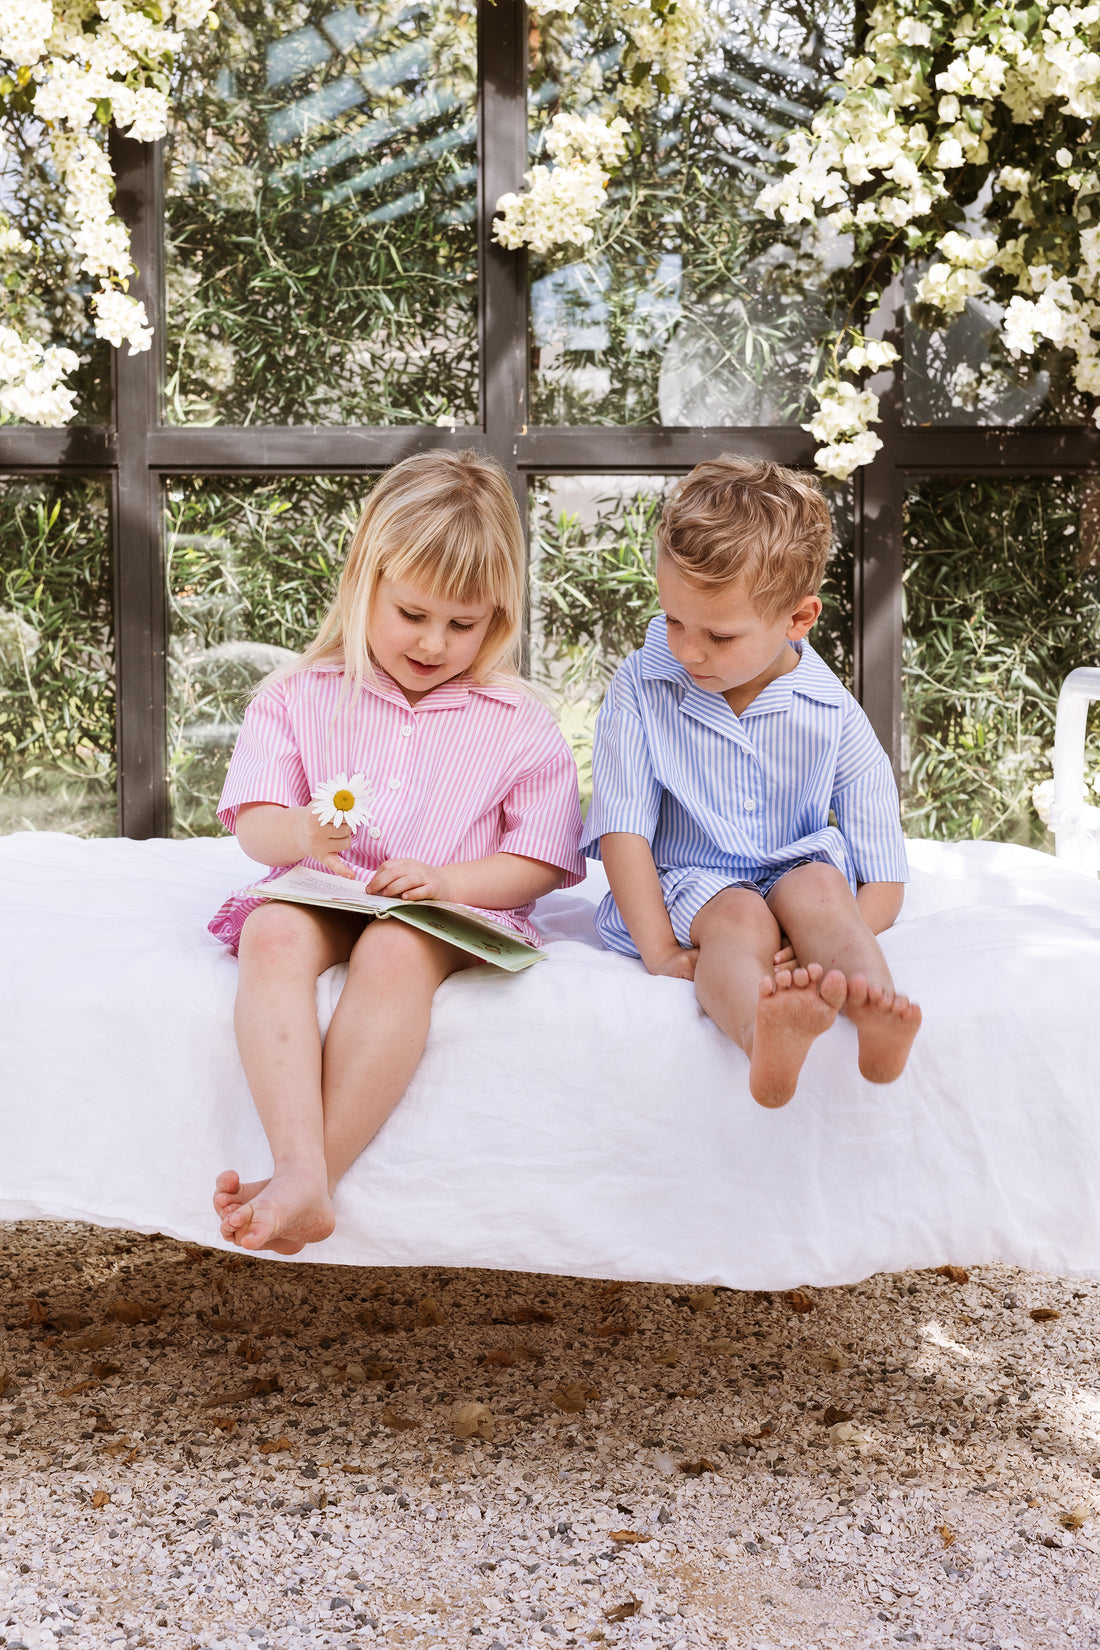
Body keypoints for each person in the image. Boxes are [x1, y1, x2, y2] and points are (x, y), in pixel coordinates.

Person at [208, 450, 584, 1254]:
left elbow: (542, 859)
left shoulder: (517, 720)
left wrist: (448, 880)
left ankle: (316, 1179)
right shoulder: (298, 695)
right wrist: (302, 835)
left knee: (392, 949)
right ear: (364, 583)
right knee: (270, 934)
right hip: (325, 888)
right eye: (412, 613)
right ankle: (297, 1163)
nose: (434, 643)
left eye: (463, 623)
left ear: (500, 619)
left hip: (445, 909)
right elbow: (253, 823)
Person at [581, 456, 921, 1109]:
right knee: (738, 922)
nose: (687, 650)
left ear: (798, 620)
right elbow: (624, 829)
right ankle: (760, 1037)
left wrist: (813, 941)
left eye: (718, 634)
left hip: (797, 874)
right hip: (694, 882)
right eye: (674, 620)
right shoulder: (642, 686)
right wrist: (658, 950)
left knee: (826, 890)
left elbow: (884, 874)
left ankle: (877, 1009)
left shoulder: (831, 711)